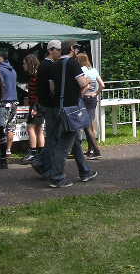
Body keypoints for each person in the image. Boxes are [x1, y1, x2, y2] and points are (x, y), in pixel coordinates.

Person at [47, 40, 97, 188]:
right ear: (71, 49)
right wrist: (88, 79)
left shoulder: (54, 65)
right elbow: (82, 83)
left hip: (58, 107)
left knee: (74, 142)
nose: (77, 51)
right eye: (76, 48)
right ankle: (56, 177)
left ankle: (85, 171)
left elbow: (52, 88)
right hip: (71, 109)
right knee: (64, 145)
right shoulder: (72, 63)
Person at [31, 41, 62, 179]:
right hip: (50, 105)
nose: (60, 52)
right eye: (58, 50)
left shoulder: (43, 65)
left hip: (45, 104)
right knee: (52, 137)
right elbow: (51, 86)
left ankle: (43, 164)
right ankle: (42, 164)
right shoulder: (49, 65)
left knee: (52, 136)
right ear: (51, 50)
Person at [77, 52, 104, 160]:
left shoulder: (81, 70)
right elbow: (102, 85)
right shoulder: (93, 70)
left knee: (87, 126)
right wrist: (96, 93)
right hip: (92, 98)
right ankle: (90, 149)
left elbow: (84, 85)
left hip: (84, 98)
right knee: (90, 125)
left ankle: (95, 150)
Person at [21, 53, 44, 164]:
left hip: (36, 106)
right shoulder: (35, 75)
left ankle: (33, 152)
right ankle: (41, 152)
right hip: (37, 105)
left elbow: (40, 92)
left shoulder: (36, 75)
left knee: (30, 127)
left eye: (24, 63)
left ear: (29, 63)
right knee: (38, 129)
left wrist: (35, 107)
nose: (23, 66)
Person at [0, 51, 18, 158]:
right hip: (14, 101)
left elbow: (0, 85)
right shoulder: (12, 70)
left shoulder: (0, 69)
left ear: (0, 58)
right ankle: (8, 150)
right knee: (11, 128)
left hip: (4, 102)